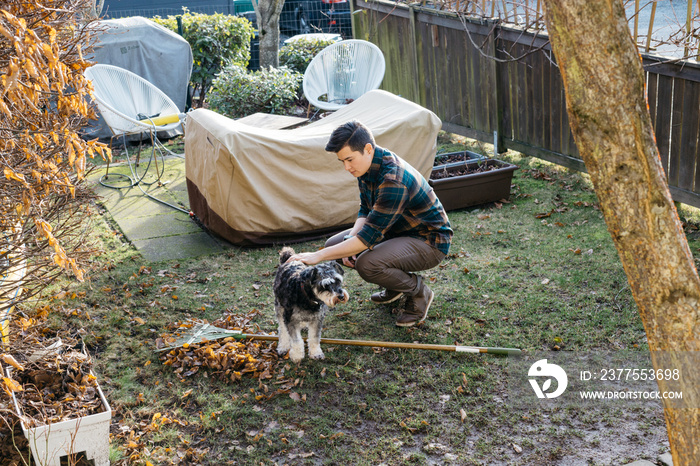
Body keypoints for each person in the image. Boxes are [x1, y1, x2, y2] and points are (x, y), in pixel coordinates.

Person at [287, 120, 453, 327]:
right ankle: (395, 285)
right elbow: (366, 209)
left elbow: (367, 238)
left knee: (367, 263)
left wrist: (317, 256)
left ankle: (419, 292)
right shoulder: (367, 165)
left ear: (367, 149)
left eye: (349, 159)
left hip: (429, 242)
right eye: (342, 162)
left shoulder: (393, 179)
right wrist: (349, 240)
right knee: (335, 246)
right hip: (396, 231)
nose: (347, 167)